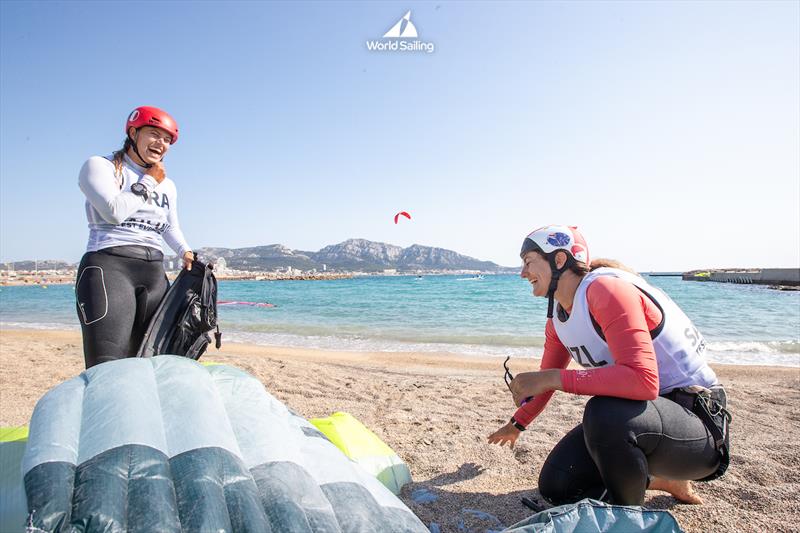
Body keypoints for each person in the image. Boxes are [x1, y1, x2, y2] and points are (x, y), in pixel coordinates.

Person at [487, 225, 730, 506]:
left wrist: (553, 378)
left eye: (528, 262)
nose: (523, 273)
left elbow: (642, 380)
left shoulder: (605, 289)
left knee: (603, 413)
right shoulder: (558, 318)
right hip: (643, 421)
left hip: (699, 428)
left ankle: (626, 517)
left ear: (560, 260)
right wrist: (518, 423)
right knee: (557, 485)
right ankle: (659, 481)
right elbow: (543, 382)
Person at [76, 106, 193, 368]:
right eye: (153, 134)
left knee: (150, 363)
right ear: (133, 133)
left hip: (153, 273)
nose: (160, 144)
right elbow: (113, 212)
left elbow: (169, 227)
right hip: (109, 267)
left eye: (167, 140)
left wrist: (185, 251)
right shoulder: (100, 166)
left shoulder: (168, 185)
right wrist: (149, 182)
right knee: (106, 366)